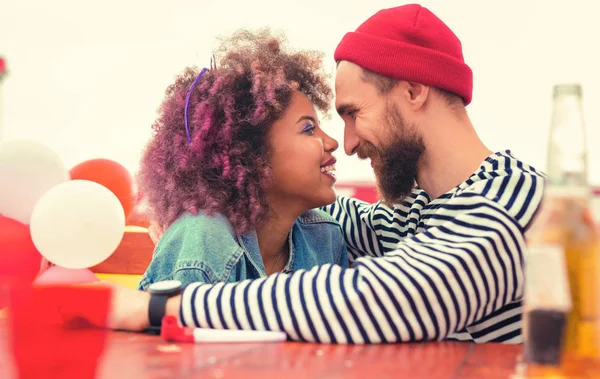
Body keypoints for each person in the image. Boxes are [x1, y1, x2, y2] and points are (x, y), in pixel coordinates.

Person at [78, 4, 544, 344]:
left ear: (415, 90)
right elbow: (283, 197)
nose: (348, 142)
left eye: (353, 112)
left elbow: (382, 300)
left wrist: (158, 305)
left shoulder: (508, 203)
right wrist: (213, 196)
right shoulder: (416, 214)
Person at [134, 28, 348, 290]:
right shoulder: (202, 241)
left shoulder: (324, 237)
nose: (332, 142)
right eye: (308, 129)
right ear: (254, 156)